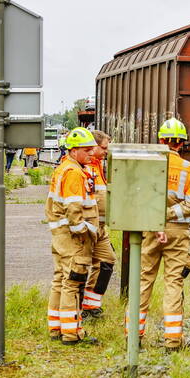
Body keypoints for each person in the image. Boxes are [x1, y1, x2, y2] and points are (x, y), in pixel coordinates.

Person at [136, 117, 190, 351]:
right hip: (178, 232)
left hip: (150, 230)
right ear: (181, 143)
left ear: (160, 140)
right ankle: (173, 340)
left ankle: (134, 336)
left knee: (143, 280)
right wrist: (169, 213)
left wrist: (156, 219)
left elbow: (139, 199)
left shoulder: (147, 166)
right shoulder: (188, 169)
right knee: (173, 282)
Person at [44, 127, 100, 345]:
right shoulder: (74, 173)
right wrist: (84, 232)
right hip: (72, 237)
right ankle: (71, 333)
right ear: (74, 150)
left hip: (59, 234)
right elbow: (74, 209)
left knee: (59, 279)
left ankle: (56, 328)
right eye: (87, 150)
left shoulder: (63, 169)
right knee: (73, 281)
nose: (91, 154)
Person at [81, 130, 117, 319]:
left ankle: (91, 303)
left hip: (100, 228)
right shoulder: (85, 167)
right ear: (92, 146)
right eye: (103, 148)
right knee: (79, 266)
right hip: (88, 227)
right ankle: (78, 307)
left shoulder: (97, 165)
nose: (106, 152)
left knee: (107, 260)